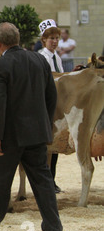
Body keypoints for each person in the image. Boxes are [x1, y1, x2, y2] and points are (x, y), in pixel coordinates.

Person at [0, 22, 63, 231]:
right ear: (18, 40)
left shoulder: (1, 66)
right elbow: (52, 96)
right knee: (43, 181)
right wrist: (45, 124)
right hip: (37, 134)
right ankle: (53, 228)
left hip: (9, 136)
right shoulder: (40, 60)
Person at [38, 19, 63, 193]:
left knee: (54, 148)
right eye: (51, 38)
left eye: (56, 38)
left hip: (57, 105)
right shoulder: (42, 57)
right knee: (46, 147)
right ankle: (46, 181)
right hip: (45, 105)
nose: (54, 41)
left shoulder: (58, 57)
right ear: (44, 40)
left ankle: (52, 179)